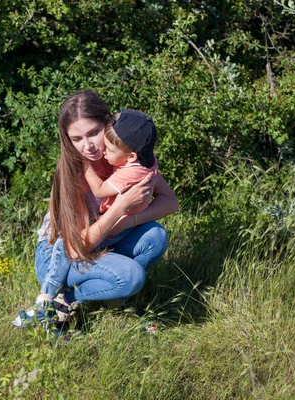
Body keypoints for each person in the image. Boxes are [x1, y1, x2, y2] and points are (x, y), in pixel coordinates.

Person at [12, 90, 179, 334]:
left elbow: (170, 202)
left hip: (102, 238)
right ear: (67, 138)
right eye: (77, 138)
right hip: (60, 258)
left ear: (108, 124)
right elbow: (74, 248)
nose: (87, 146)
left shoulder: (123, 156)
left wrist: (129, 221)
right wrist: (121, 207)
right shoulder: (74, 171)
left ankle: (107, 301)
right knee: (131, 277)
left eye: (93, 133)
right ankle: (65, 300)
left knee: (156, 235)